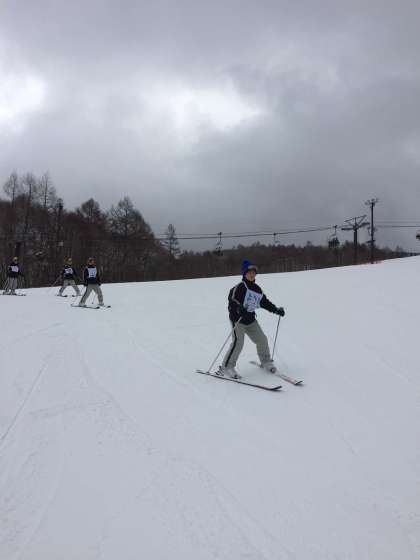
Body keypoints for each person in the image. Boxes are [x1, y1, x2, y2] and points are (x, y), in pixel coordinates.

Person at [219, 260, 285, 379]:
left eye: (253, 272)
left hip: (250, 320)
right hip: (238, 320)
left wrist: (276, 310)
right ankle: (227, 367)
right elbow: (232, 300)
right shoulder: (239, 287)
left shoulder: (257, 289)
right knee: (238, 343)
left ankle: (266, 362)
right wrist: (239, 308)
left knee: (262, 340)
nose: (251, 274)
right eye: (249, 272)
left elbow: (264, 302)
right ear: (244, 273)